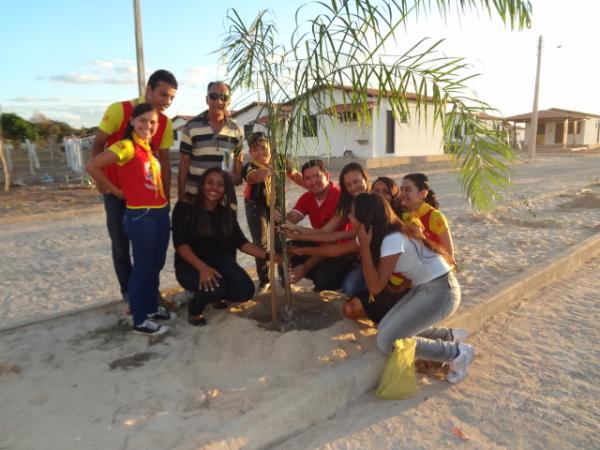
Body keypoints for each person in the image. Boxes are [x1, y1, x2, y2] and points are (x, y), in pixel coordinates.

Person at [352, 193, 473, 383]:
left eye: (353, 214)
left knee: (388, 342)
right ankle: (450, 335)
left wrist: (365, 248)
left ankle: (456, 353)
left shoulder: (392, 238)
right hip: (427, 287)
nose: (349, 218)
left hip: (443, 291)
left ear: (365, 218)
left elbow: (375, 287)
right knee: (384, 327)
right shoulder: (381, 234)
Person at [87, 103, 174, 335]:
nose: (148, 125)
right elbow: (93, 166)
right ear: (132, 121)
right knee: (143, 268)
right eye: (143, 120)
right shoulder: (125, 146)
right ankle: (139, 318)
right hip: (141, 216)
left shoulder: (147, 148)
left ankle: (150, 308)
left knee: (155, 265)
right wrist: (115, 191)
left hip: (159, 213)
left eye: (153, 122)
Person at [91, 69, 177, 303]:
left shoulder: (165, 123)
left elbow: (165, 162)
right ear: (148, 90)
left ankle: (150, 294)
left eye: (171, 98)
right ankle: (129, 295)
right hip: (116, 194)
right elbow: (98, 145)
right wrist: (102, 184)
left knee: (148, 251)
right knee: (120, 246)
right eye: (162, 94)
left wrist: (166, 197)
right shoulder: (119, 110)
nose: (166, 102)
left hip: (147, 200)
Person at [172, 167, 281, 326]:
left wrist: (269, 256)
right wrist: (202, 268)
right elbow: (180, 244)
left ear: (225, 189)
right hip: (190, 264)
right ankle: (195, 309)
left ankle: (215, 293)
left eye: (220, 184)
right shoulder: (184, 207)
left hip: (219, 261)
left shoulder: (226, 213)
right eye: (209, 183)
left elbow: (242, 243)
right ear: (202, 184)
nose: (214, 188)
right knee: (217, 288)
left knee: (245, 291)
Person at [283, 162, 369, 291]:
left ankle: (339, 276)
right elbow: (295, 216)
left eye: (317, 175)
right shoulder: (309, 197)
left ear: (327, 176)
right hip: (327, 243)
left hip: (346, 250)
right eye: (308, 178)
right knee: (284, 248)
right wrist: (286, 222)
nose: (313, 181)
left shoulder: (343, 198)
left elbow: (329, 238)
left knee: (338, 284)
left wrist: (306, 263)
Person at [242, 132, 304, 293]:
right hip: (255, 206)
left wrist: (314, 186)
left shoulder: (281, 160)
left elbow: (296, 176)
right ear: (250, 152)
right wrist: (263, 174)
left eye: (264, 148)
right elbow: (251, 177)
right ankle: (264, 280)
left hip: (277, 205)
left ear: (271, 147)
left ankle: (284, 279)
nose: (260, 152)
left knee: (280, 241)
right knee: (260, 243)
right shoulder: (250, 165)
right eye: (255, 149)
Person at [177, 81, 244, 203]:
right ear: (207, 99)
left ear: (228, 102)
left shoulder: (236, 131)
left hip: (224, 200)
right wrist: (181, 198)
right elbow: (184, 164)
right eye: (214, 96)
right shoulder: (191, 127)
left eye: (224, 97)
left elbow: (238, 161)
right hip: (196, 198)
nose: (219, 101)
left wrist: (236, 177)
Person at [400, 173, 455, 263]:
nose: (402, 194)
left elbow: (449, 254)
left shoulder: (435, 217)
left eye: (408, 190)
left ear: (422, 193)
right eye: (401, 189)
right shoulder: (400, 214)